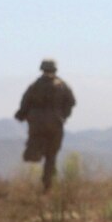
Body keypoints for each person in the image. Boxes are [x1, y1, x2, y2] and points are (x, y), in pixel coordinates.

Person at [15, 59, 76, 192]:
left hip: (37, 125)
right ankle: (48, 184)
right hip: (55, 124)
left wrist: (23, 115)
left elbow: (24, 105)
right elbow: (71, 102)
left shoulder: (35, 86)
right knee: (51, 156)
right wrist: (63, 116)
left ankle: (45, 182)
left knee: (37, 151)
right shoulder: (62, 85)